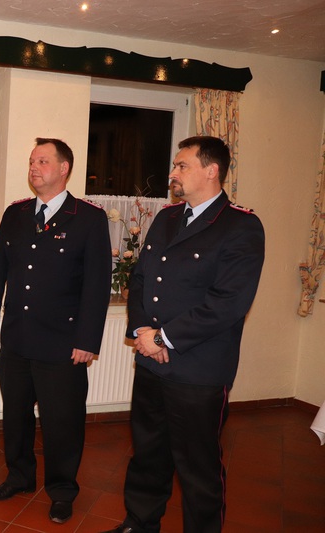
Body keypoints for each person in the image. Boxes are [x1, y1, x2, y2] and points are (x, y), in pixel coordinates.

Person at [103, 136, 265, 533]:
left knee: (198, 467)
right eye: (175, 165)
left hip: (198, 371)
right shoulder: (168, 218)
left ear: (211, 171)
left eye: (182, 166)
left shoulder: (241, 226)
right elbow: (141, 279)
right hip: (151, 362)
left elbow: (228, 302)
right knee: (147, 454)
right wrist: (143, 331)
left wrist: (163, 338)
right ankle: (140, 522)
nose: (172, 173)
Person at [0, 137, 111, 524]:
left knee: (62, 422)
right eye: (32, 161)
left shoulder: (88, 218)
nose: (34, 168)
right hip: (17, 337)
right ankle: (19, 477)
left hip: (63, 343)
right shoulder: (16, 214)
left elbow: (97, 285)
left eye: (43, 161)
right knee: (15, 416)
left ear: (64, 168)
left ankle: (62, 490)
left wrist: (87, 340)